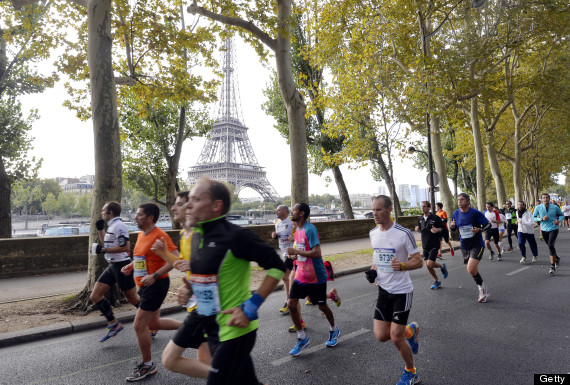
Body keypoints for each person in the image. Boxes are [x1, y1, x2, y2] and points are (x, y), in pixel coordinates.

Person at [176, 178, 286, 385]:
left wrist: (251, 306)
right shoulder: (198, 236)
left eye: (196, 199)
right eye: (189, 199)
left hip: (236, 330)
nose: (188, 205)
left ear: (216, 205)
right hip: (213, 328)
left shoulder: (236, 236)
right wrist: (188, 289)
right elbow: (209, 277)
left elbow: (277, 266)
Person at [152, 191, 212, 379]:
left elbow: (210, 269)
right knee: (205, 359)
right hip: (198, 304)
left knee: (171, 359)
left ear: (190, 207)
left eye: (178, 204)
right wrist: (164, 254)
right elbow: (184, 265)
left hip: (207, 306)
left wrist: (190, 286)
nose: (172, 208)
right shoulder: (183, 234)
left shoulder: (199, 234)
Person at [122, 203, 183, 382]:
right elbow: (143, 257)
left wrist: (155, 276)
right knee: (153, 322)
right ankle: (190, 328)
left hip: (157, 284)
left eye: (139, 214)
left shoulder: (160, 236)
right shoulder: (141, 234)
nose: (135, 216)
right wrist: (132, 266)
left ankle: (148, 365)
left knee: (139, 326)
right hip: (146, 284)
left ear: (150, 218)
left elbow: (176, 260)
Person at [366, 195, 422, 385]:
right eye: (373, 209)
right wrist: (373, 272)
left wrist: (404, 266)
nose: (375, 213)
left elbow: (418, 260)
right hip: (383, 290)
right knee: (382, 336)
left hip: (402, 291)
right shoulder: (373, 233)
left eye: (379, 209)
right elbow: (377, 260)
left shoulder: (403, 233)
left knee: (395, 338)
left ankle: (411, 372)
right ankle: (410, 331)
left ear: (390, 210)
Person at [286, 202, 340, 357]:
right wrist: (294, 255)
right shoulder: (297, 230)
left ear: (302, 213)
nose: (292, 211)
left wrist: (297, 250)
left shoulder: (310, 229)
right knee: (291, 304)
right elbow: (302, 252)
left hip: (316, 277)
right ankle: (302, 338)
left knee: (321, 306)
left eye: (295, 210)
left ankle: (334, 330)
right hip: (301, 276)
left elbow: (316, 252)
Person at [89, 201, 139, 342]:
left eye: (103, 211)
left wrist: (103, 250)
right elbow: (106, 244)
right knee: (95, 296)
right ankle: (114, 325)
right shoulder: (111, 226)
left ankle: (153, 321)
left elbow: (125, 248)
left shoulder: (120, 226)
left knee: (132, 298)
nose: (101, 213)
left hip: (123, 266)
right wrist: (100, 230)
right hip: (113, 266)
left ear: (110, 212)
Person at [449, 193, 492, 303]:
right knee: (473, 270)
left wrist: (479, 230)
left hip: (477, 245)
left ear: (468, 201)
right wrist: (452, 226)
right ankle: (482, 286)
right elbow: (454, 229)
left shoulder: (475, 213)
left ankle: (482, 288)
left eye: (462, 199)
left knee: (470, 269)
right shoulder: (456, 213)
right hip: (464, 246)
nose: (459, 201)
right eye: (458, 200)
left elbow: (488, 225)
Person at [415, 201, 448, 289]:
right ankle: (437, 281)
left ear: (429, 207)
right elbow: (420, 228)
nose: (423, 208)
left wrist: (438, 229)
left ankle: (442, 266)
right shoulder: (420, 218)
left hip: (434, 243)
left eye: (425, 206)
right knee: (428, 265)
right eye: (422, 206)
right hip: (425, 244)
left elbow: (444, 227)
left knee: (430, 263)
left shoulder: (435, 217)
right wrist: (417, 229)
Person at [271, 205, 295, 315]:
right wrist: (275, 236)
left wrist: (294, 239)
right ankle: (314, 297)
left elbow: (301, 236)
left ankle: (288, 302)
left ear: (285, 212)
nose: (276, 211)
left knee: (285, 276)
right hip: (285, 253)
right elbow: (280, 237)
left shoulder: (292, 223)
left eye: (278, 210)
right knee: (303, 280)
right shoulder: (277, 223)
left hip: (294, 253)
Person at [533, 193, 564, 274]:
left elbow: (561, 215)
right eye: (544, 198)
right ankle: (556, 257)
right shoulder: (538, 207)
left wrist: (558, 221)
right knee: (550, 246)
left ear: (549, 199)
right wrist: (541, 219)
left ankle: (552, 266)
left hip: (553, 228)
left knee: (550, 245)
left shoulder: (555, 207)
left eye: (547, 197)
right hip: (544, 229)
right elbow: (533, 217)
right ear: (542, 199)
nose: (545, 199)